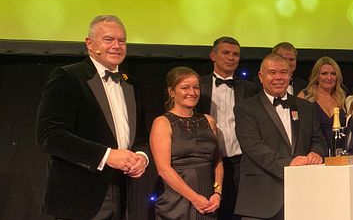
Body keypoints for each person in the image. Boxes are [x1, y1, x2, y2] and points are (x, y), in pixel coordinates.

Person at [36, 15, 149, 220]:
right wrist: (107, 156)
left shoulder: (131, 83)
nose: (117, 45)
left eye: (122, 40)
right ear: (89, 44)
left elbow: (140, 136)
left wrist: (142, 157)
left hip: (123, 193)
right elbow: (50, 136)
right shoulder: (67, 77)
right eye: (108, 39)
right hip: (80, 196)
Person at [233, 53, 326, 220]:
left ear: (290, 75)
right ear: (261, 77)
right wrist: (288, 163)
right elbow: (253, 147)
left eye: (283, 72)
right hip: (261, 200)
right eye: (272, 72)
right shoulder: (245, 108)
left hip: (303, 197)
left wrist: (317, 153)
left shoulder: (306, 107)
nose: (278, 77)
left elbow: (318, 139)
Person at [196, 37, 259, 220]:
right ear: (213, 55)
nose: (231, 57)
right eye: (226, 52)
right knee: (209, 210)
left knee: (238, 212)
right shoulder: (198, 85)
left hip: (240, 161)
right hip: (208, 161)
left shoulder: (250, 88)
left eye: (236, 54)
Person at [151, 67, 223, 219]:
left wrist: (217, 192)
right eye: (185, 87)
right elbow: (163, 169)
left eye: (196, 87)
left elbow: (217, 161)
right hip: (178, 200)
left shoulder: (209, 121)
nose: (192, 92)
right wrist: (194, 198)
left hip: (208, 199)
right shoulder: (162, 122)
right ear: (171, 92)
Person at [298, 57, 347, 156]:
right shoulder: (305, 96)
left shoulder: (342, 98)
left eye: (333, 74)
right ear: (317, 76)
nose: (329, 78)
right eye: (324, 73)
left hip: (338, 156)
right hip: (314, 156)